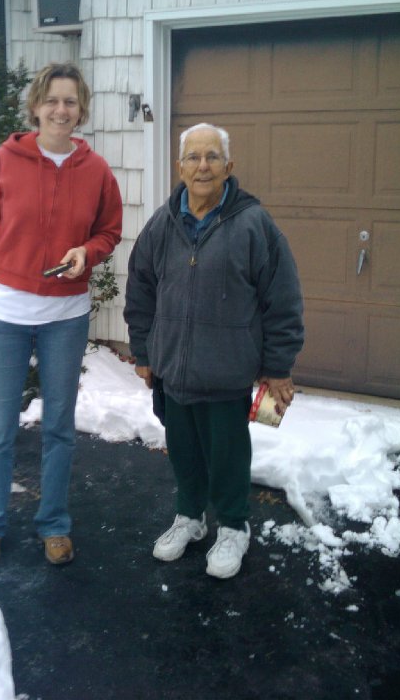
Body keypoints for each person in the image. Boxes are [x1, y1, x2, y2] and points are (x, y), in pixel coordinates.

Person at [124, 122, 303, 580]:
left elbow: (281, 300)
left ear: (229, 167)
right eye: (193, 157)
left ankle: (234, 526)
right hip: (172, 371)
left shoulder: (253, 225)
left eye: (212, 157)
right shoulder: (162, 224)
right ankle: (189, 517)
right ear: (179, 166)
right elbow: (141, 290)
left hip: (227, 373)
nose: (202, 166)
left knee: (227, 455)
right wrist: (144, 352)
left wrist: (277, 367)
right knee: (182, 450)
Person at [0, 63, 122, 567]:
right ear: (35, 106)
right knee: (0, 426)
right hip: (4, 313)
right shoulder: (6, 162)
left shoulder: (96, 170)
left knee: (58, 426)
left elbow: (110, 231)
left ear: (81, 110)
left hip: (65, 316)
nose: (60, 110)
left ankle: (53, 522)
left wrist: (87, 252)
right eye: (52, 100)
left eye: (70, 101)